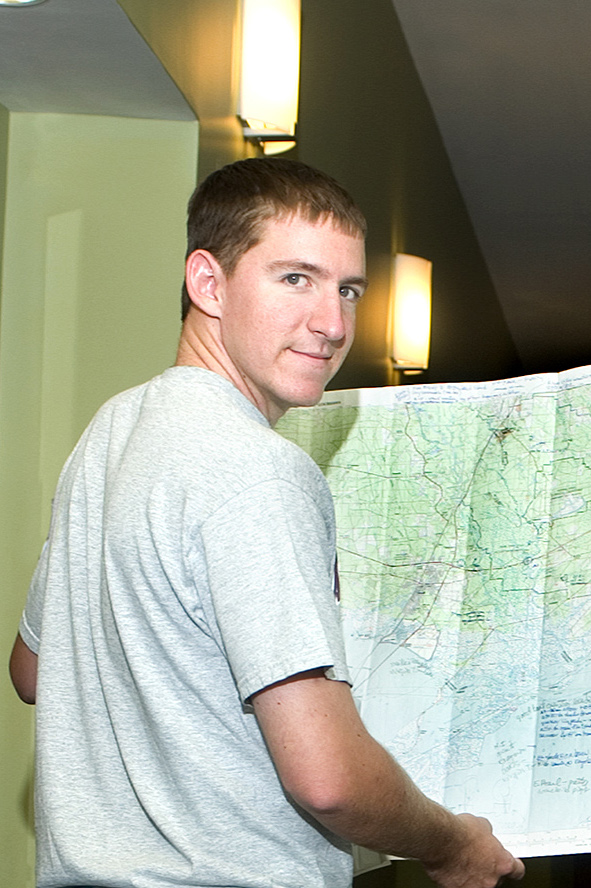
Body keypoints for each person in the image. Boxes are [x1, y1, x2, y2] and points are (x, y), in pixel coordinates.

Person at [8, 157, 526, 888]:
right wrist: (452, 846)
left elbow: (31, 670)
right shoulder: (258, 471)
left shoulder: (111, 430)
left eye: (347, 289)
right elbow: (328, 779)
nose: (333, 323)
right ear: (207, 283)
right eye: (295, 279)